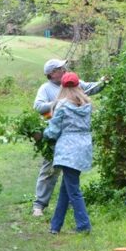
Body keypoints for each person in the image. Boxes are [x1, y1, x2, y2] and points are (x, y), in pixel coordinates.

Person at [31, 58, 106, 217]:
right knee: (49, 170)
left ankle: (72, 204)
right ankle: (39, 205)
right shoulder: (46, 88)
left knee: (70, 172)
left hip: (71, 137)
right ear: (51, 73)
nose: (64, 69)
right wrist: (57, 103)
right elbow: (38, 106)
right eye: (60, 68)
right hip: (55, 135)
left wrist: (104, 81)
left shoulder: (74, 82)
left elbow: (92, 88)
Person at [43, 72, 93, 234]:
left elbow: (54, 130)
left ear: (62, 86)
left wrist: (43, 134)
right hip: (83, 148)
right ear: (78, 85)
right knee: (66, 189)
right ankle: (55, 226)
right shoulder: (86, 104)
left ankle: (84, 225)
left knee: (74, 190)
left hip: (67, 150)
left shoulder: (62, 105)